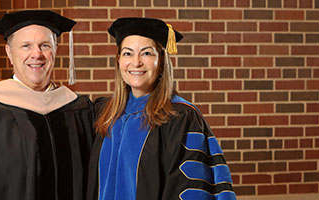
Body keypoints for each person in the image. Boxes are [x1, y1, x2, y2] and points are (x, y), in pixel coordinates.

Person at [0, 10, 95, 200]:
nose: (36, 54)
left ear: (55, 50)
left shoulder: (78, 109)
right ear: (9, 53)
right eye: (26, 46)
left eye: (44, 45)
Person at [86, 17, 236, 200]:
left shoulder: (181, 117)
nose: (136, 62)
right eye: (127, 53)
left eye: (147, 53)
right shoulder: (105, 113)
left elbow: (191, 188)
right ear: (118, 60)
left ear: (162, 61)